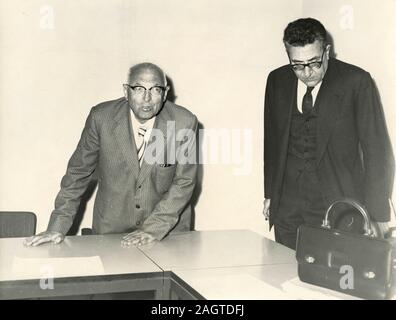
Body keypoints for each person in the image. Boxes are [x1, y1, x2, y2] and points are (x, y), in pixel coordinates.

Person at [25, 63, 198, 247]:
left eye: (155, 89)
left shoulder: (184, 122)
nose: (147, 98)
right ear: (126, 91)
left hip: (168, 231)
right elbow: (77, 174)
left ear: (165, 93)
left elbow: (184, 182)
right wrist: (58, 226)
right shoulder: (101, 118)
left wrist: (153, 228)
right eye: (139, 89)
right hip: (112, 231)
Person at [263, 18, 394, 250]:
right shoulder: (277, 80)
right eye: (297, 65)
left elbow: (377, 149)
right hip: (287, 207)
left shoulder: (356, 81)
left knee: (332, 278)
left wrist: (378, 214)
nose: (307, 72)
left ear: (327, 51)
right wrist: (271, 194)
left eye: (314, 62)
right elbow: (272, 142)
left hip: (338, 206)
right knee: (286, 274)